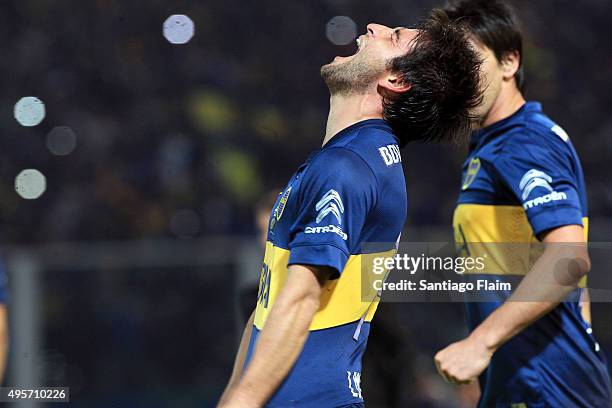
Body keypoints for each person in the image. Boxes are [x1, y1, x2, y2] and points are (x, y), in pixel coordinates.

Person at [219, 10, 481, 408]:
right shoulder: (360, 160)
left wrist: (243, 400)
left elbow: (302, 298)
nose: (373, 26)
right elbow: (266, 307)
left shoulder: (347, 167)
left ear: (396, 81)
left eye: (392, 36)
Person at [434, 1, 612, 406]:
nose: (459, 78)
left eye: (469, 61)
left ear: (509, 61)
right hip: (523, 383)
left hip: (548, 389)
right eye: (450, 67)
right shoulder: (492, 145)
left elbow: (570, 257)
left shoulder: (525, 141)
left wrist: (480, 343)